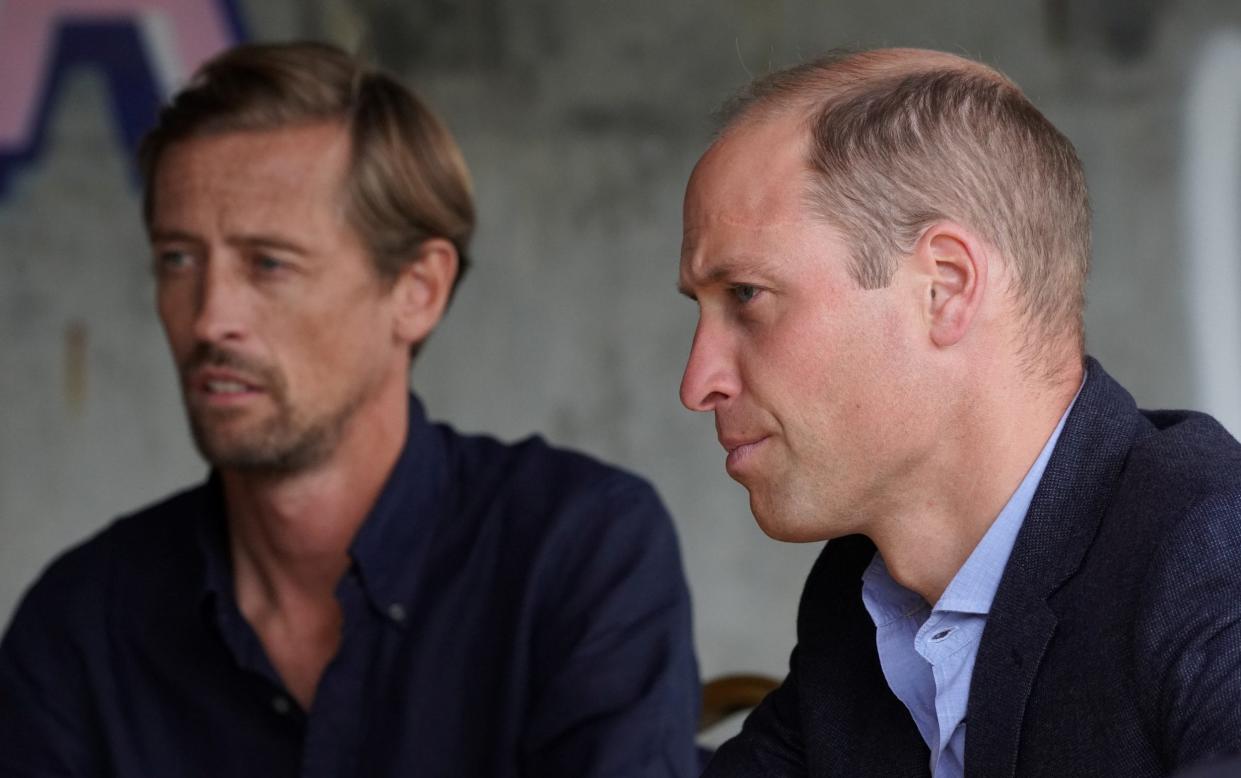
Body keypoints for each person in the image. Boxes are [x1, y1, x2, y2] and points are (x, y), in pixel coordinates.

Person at [0, 41, 700, 777]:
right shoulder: (84, 621)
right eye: (179, 258)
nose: (209, 319)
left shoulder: (576, 550)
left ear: (417, 291)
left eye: (268, 263)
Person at [678, 47, 1241, 777]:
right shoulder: (858, 604)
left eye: (747, 296)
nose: (698, 384)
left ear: (943, 288)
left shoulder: (1212, 550)